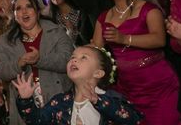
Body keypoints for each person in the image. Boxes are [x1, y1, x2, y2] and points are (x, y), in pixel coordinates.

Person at [92, 0, 181, 125]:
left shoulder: (149, 10)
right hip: (128, 86)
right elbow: (97, 52)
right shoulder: (103, 18)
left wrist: (124, 39)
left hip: (158, 83)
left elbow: (159, 39)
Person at [12, 45, 144, 124]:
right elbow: (37, 121)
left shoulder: (111, 98)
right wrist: (26, 101)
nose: (74, 59)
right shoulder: (60, 101)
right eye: (72, 57)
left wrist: (99, 101)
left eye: (83, 58)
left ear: (98, 73)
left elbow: (133, 119)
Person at [0, 0, 73, 125]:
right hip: (25, 104)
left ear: (37, 12)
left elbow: (68, 61)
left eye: (29, 6)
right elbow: (1, 70)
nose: (24, 11)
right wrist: (19, 63)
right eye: (18, 8)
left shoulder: (56, 31)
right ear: (14, 15)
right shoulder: (5, 40)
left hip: (59, 99)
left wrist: (40, 59)